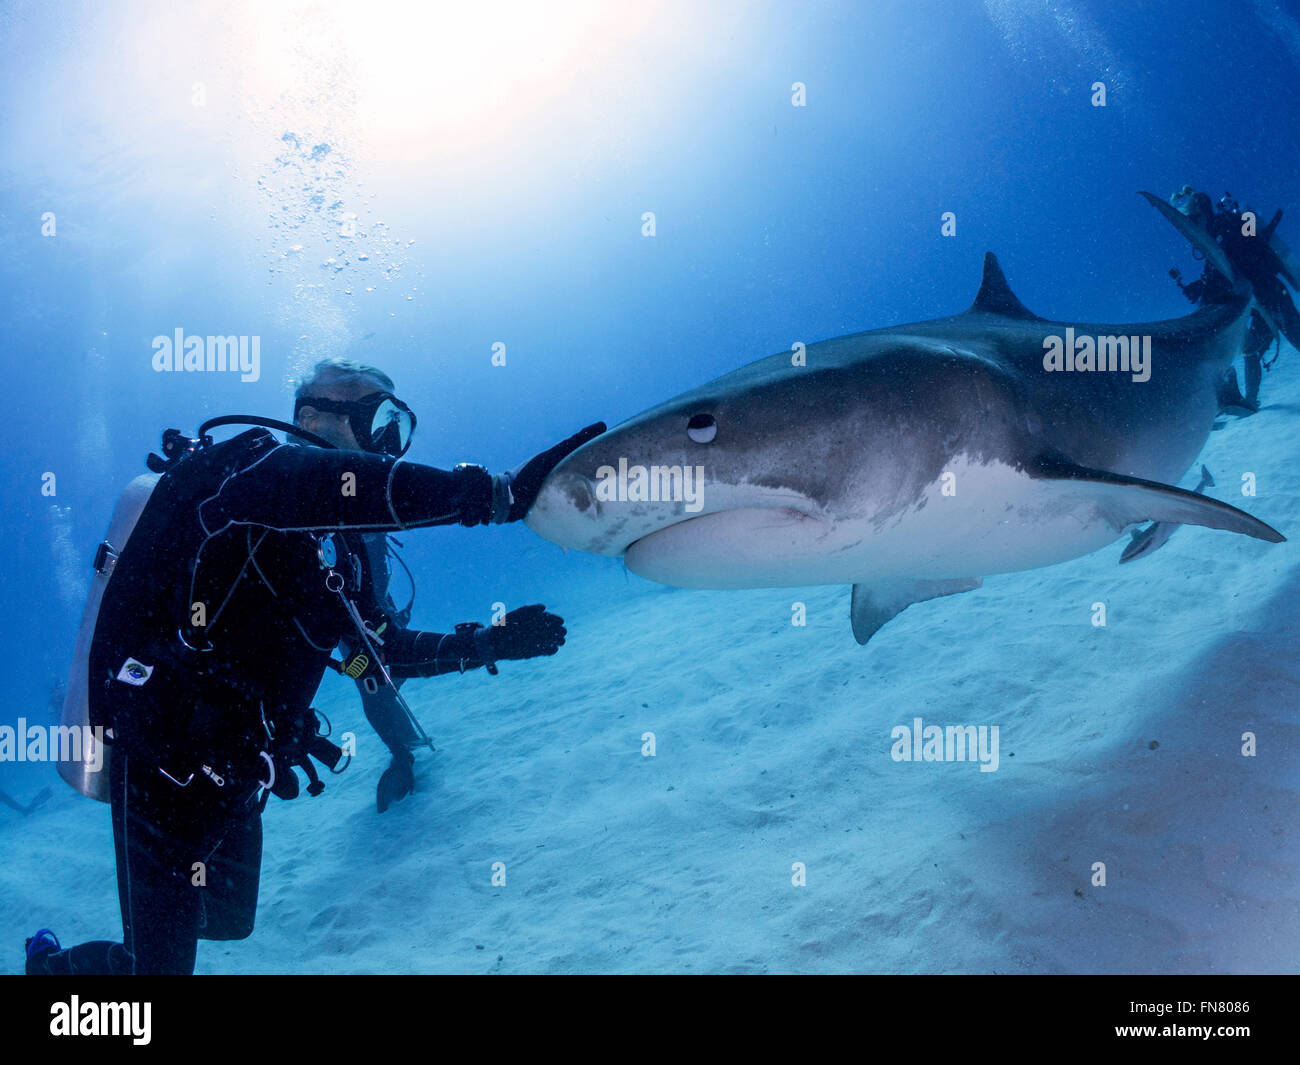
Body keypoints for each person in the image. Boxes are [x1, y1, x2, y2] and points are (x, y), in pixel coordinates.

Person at [25, 363, 604, 975]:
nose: (386, 445)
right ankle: (57, 972)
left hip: (241, 771)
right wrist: (493, 494)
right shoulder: (244, 467)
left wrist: (487, 644)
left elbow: (379, 655)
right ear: (310, 418)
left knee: (226, 920)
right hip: (161, 765)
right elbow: (311, 484)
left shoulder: (338, 556)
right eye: (377, 420)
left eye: (397, 427)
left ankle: (76, 966)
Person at [1168, 184, 1300, 413]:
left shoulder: (1227, 229)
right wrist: (1200, 287)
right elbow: (1222, 274)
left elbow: (1239, 266)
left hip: (1270, 294)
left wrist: (1205, 287)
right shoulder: (1215, 242)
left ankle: (1249, 401)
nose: (1191, 228)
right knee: (1251, 349)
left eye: (1193, 220)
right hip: (1259, 302)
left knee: (1295, 337)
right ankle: (1249, 402)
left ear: (1204, 213)